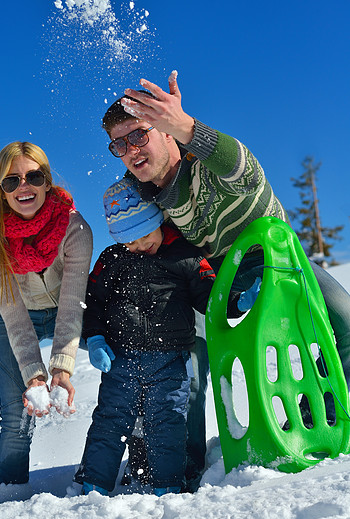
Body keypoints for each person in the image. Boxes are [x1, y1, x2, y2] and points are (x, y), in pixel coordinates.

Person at [102, 71, 350, 489]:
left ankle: (323, 416)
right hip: (216, 280)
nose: (130, 151)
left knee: (343, 319)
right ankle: (176, 464)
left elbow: (243, 168)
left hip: (278, 262)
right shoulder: (140, 190)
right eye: (119, 144)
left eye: (139, 135)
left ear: (165, 132)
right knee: (186, 357)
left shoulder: (207, 165)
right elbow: (123, 227)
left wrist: (184, 125)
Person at [74, 178, 257, 496]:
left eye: (144, 235)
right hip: (121, 358)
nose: (140, 246)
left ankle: (168, 488)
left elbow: (208, 295)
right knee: (109, 421)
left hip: (171, 360)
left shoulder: (186, 255)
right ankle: (93, 486)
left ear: (157, 220)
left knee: (169, 423)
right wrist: (95, 338)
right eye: (130, 242)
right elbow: (93, 303)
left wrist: (236, 300)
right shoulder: (112, 260)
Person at [0, 141, 93, 503]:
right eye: (11, 181)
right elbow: (13, 315)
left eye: (33, 176)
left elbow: (73, 303)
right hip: (11, 317)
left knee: (126, 365)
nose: (23, 187)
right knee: (16, 415)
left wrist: (61, 368)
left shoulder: (75, 228)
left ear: (46, 181)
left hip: (63, 309)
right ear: (1, 190)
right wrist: (35, 376)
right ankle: (8, 499)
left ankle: (118, 462)